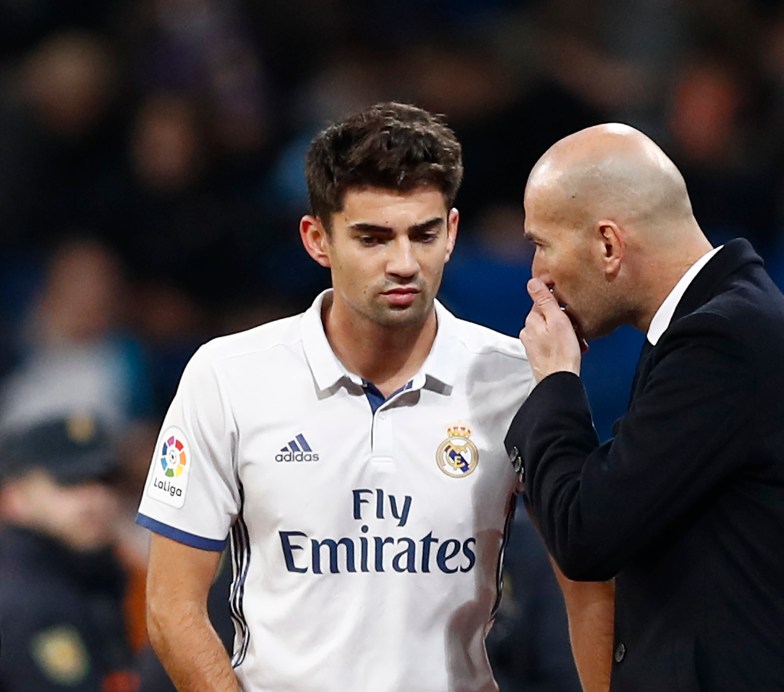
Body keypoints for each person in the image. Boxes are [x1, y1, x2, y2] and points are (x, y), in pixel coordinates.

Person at [135, 102, 598, 691]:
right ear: (317, 239)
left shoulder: (517, 380)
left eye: (423, 234)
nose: (403, 263)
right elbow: (171, 610)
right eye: (373, 238)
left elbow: (587, 578)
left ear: (451, 232)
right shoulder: (228, 377)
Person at [505, 123, 784, 690]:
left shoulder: (726, 341)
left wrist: (555, 382)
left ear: (607, 245)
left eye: (540, 245)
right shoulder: (730, 328)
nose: (536, 277)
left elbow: (586, 533)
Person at [0, 412, 137, 692]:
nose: (94, 497)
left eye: (104, 479)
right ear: (16, 496)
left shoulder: (102, 570)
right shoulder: (24, 599)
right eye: (70, 482)